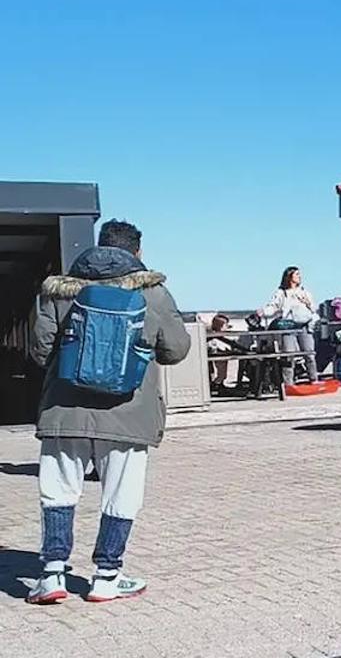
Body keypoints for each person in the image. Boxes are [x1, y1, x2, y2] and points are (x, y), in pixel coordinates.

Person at [27, 219, 190, 604]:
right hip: (128, 412)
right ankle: (106, 576)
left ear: (98, 248)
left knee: (59, 492)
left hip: (64, 410)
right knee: (121, 494)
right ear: (137, 253)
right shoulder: (154, 293)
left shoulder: (58, 291)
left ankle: (52, 575)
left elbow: (39, 351)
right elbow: (176, 350)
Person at [258, 266, 320, 385]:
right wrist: (263, 311)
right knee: (288, 355)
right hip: (289, 325)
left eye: (299, 274)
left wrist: (308, 303)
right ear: (289, 277)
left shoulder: (304, 292)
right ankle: (288, 383)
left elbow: (313, 308)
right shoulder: (281, 293)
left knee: (309, 353)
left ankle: (314, 379)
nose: (299, 277)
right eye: (296, 274)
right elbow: (273, 306)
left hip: (304, 325)